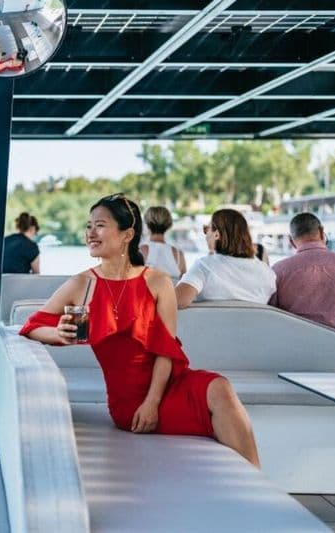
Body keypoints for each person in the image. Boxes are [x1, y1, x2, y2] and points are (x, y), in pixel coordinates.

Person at [19, 194, 260, 467]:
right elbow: (32, 326)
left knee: (220, 386)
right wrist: (58, 333)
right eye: (88, 226)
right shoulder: (81, 284)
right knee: (219, 406)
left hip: (168, 385)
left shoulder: (158, 281)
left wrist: (153, 401)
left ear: (127, 234)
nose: (90, 233)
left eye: (100, 225)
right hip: (129, 403)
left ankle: (256, 482)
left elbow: (166, 349)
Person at [176, 209, 276, 309]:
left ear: (217, 235)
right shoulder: (268, 273)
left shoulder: (204, 266)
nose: (206, 235)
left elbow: (176, 301)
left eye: (206, 229)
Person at [269, 213, 335, 332]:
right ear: (322, 232)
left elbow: (272, 316)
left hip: (297, 344)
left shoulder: (278, 270)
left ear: (291, 242)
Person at [140, 206, 186, 280]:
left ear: (147, 224)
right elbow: (184, 285)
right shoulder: (178, 255)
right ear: (168, 224)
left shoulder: (141, 251)